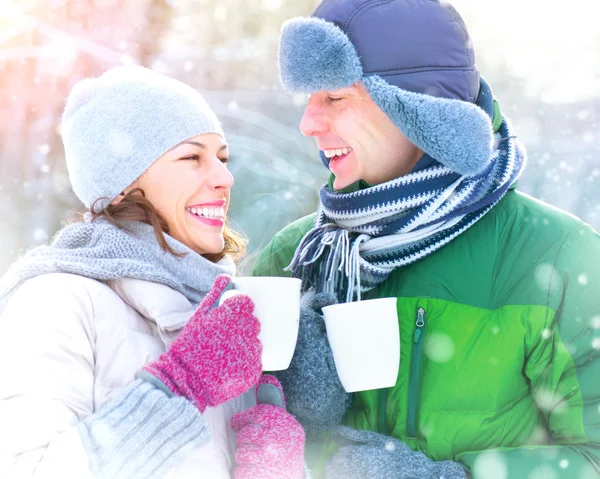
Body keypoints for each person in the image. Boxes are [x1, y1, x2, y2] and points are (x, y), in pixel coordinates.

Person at [253, 1, 600, 478]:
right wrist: (279, 422)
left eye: (334, 98)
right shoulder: (298, 257)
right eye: (308, 99)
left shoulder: (559, 259)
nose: (308, 123)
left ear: (419, 110)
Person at [0, 66, 305, 479]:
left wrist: (274, 469)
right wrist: (178, 389)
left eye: (222, 157)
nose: (224, 177)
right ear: (122, 186)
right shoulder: (55, 301)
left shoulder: (219, 321)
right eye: (192, 157)